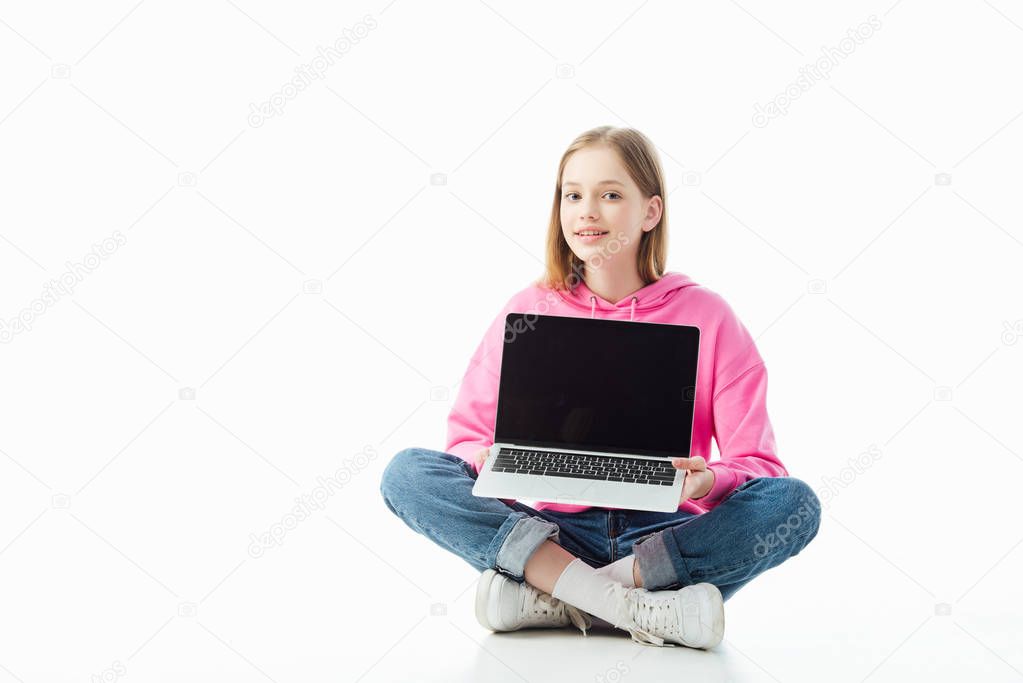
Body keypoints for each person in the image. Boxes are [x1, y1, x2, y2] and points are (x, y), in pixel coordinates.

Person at [379, 125, 821, 649]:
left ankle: (560, 597)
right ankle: (641, 608)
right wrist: (500, 457)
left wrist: (706, 483)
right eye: (573, 195)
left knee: (795, 504)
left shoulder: (709, 317)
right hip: (552, 538)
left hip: (662, 543)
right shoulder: (528, 311)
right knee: (407, 473)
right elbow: (464, 443)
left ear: (651, 212)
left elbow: (761, 469)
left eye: (610, 194)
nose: (587, 211)